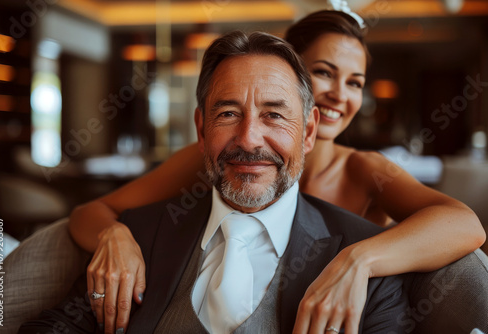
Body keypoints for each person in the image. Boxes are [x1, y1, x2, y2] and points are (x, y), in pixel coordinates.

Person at [68, 10, 486, 334]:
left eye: (355, 82)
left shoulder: (363, 169)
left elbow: (463, 224)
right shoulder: (221, 154)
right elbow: (93, 211)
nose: (341, 94)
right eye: (323, 72)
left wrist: (359, 259)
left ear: (308, 125)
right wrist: (115, 235)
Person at [20, 30, 409, 334]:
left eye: (273, 115)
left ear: (308, 132)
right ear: (201, 129)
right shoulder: (139, 233)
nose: (249, 139)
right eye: (227, 113)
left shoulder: (364, 259)